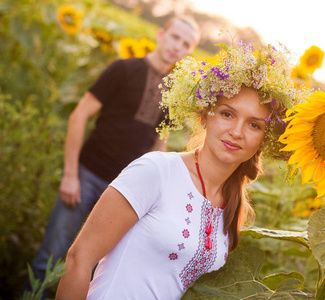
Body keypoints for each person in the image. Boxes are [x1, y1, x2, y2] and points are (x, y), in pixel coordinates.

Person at [55, 41, 303, 299]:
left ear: (264, 138)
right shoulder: (156, 171)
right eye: (227, 114)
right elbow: (78, 258)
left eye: (254, 125)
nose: (237, 132)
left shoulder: (233, 205)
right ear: (206, 115)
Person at [29, 16, 201, 284]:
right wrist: (71, 175)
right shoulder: (123, 68)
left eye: (185, 43)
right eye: (174, 37)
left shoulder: (172, 92)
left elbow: (160, 143)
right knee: (49, 259)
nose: (177, 46)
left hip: (124, 191)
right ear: (161, 35)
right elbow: (78, 116)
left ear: (190, 51)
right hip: (87, 176)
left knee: (95, 270)